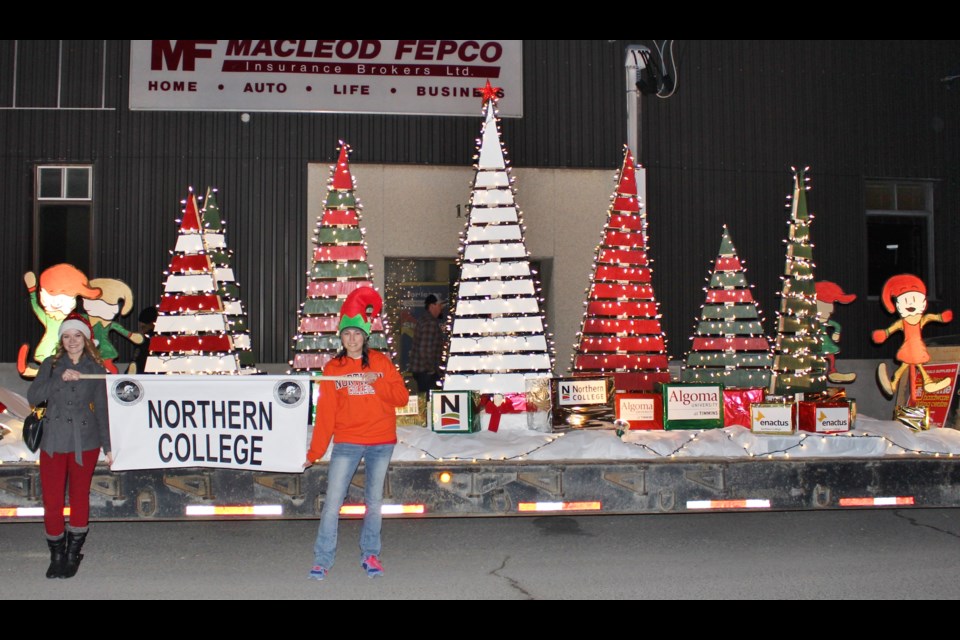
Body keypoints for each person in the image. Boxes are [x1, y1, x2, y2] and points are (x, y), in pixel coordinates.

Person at [305, 287, 409, 581]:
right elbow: (325, 414)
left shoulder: (381, 363)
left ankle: (370, 554)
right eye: (347, 334)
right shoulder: (333, 368)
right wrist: (314, 453)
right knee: (333, 503)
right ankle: (322, 560)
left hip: (380, 442)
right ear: (341, 337)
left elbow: (401, 397)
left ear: (365, 337)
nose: (352, 339)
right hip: (347, 443)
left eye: (357, 334)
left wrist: (375, 382)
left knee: (373, 502)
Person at [26, 312, 113, 579]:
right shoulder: (51, 366)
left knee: (78, 498)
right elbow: (34, 397)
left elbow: (102, 410)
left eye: (77, 336)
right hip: (52, 441)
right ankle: (57, 555)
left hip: (84, 442)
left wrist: (108, 447)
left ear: (85, 339)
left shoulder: (96, 370)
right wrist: (58, 379)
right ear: (61, 340)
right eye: (66, 336)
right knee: (52, 501)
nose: (72, 341)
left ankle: (73, 554)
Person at [409, 294, 445, 393]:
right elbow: (425, 349)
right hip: (426, 372)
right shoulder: (430, 323)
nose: (441, 308)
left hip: (421, 371)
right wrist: (431, 370)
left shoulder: (424, 319)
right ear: (432, 306)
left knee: (426, 400)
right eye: (439, 305)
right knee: (431, 402)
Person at [128, 305, 158, 374]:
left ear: (153, 325)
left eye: (144, 327)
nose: (142, 331)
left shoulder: (147, 342)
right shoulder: (142, 342)